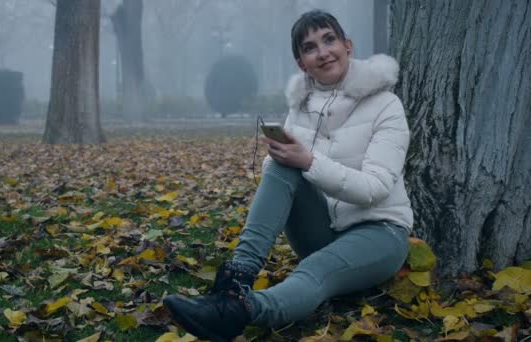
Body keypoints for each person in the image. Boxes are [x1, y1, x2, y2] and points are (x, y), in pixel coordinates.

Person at [164, 10, 413, 341]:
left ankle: (241, 312)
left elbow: (377, 188)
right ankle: (236, 280)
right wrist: (281, 161)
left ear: (347, 45)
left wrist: (308, 161)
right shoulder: (300, 108)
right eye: (310, 47)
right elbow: (285, 180)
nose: (323, 52)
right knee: (281, 163)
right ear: (302, 63)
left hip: (379, 233)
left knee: (314, 270)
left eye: (329, 40)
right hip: (322, 229)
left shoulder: (386, 105)